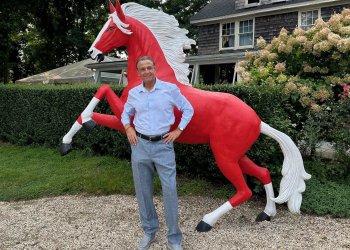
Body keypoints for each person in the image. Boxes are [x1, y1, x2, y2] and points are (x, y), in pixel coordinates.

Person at [121, 56, 194, 250]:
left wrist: (178, 130)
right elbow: (125, 113)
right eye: (142, 69)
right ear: (138, 73)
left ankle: (174, 238)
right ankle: (149, 230)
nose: (146, 71)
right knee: (143, 191)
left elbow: (188, 109)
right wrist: (128, 128)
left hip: (163, 145)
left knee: (169, 190)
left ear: (155, 69)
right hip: (140, 145)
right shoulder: (134, 93)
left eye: (149, 68)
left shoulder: (170, 90)